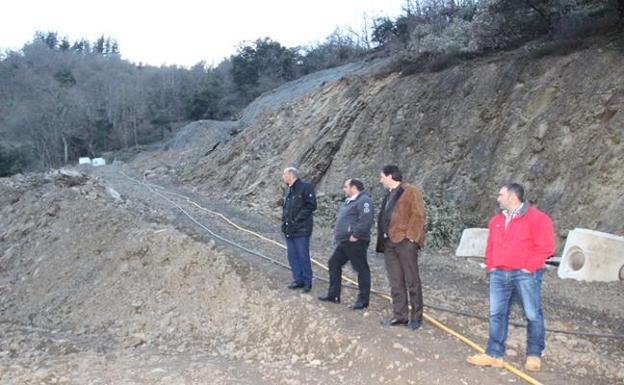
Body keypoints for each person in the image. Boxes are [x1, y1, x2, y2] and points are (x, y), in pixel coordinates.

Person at [467, 183, 554, 372]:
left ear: (513, 197)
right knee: (496, 314)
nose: (498, 198)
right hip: (499, 273)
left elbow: (546, 247)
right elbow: (491, 244)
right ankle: (494, 354)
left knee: (532, 314)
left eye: (501, 195)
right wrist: (491, 266)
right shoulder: (496, 220)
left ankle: (534, 354)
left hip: (524, 275)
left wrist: (528, 268)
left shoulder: (538, 219)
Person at [376, 165, 426, 330]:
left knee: (412, 281)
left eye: (382, 176)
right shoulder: (388, 194)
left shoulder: (410, 191)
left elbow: (418, 215)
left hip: (405, 243)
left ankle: (416, 318)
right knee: (395, 281)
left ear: (390, 176)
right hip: (389, 244)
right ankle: (400, 316)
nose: (380, 179)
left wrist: (411, 239)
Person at [318, 179, 374, 309]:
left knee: (361, 269)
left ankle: (363, 301)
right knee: (334, 263)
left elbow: (366, 220)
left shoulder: (364, 200)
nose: (344, 189)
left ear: (353, 187)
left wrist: (356, 235)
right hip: (345, 241)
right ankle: (333, 294)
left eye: (345, 187)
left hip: (356, 241)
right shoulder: (350, 201)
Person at [281, 167, 317, 293]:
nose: (283, 177)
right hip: (289, 230)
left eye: (284, 174)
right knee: (292, 256)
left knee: (303, 256)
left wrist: (296, 220)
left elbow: (311, 205)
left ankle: (307, 282)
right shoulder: (288, 190)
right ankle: (298, 279)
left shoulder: (306, 187)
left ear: (291, 175)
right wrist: (285, 224)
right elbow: (286, 209)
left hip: (301, 230)